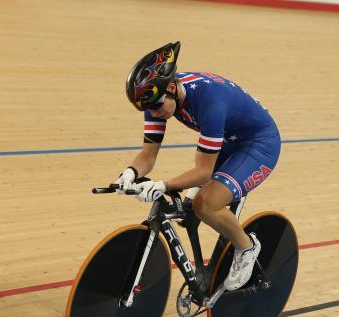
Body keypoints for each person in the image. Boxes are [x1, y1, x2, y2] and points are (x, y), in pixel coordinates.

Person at [116, 42, 281, 291]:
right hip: (229, 138)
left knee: (206, 204)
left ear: (171, 87)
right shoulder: (156, 97)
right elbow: (148, 156)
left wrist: (163, 185)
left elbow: (203, 171)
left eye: (156, 107)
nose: (153, 113)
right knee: (193, 203)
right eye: (147, 109)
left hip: (258, 144)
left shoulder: (209, 102)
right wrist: (130, 173)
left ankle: (247, 247)